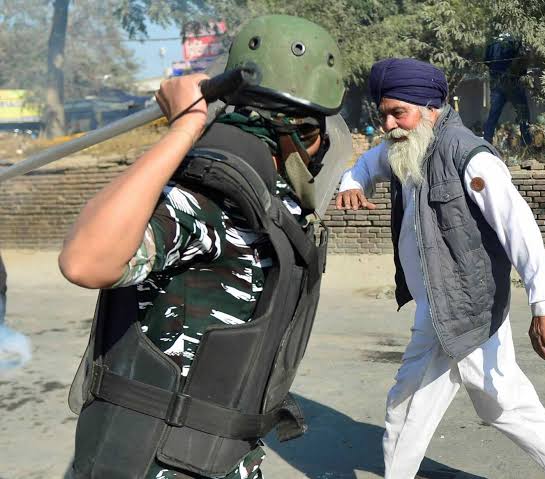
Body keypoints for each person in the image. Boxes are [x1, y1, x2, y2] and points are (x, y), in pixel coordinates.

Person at [59, 15, 346, 479]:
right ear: (301, 133)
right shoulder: (208, 198)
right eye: (318, 135)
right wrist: (184, 127)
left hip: (217, 458)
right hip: (150, 460)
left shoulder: (269, 199)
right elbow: (85, 260)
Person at [336, 58, 545, 479]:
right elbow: (371, 164)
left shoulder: (468, 154)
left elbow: (518, 225)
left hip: (461, 305)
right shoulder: (408, 145)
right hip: (443, 304)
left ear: (429, 109)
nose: (388, 124)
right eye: (383, 113)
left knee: (412, 406)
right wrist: (353, 183)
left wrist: (542, 299)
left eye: (397, 113)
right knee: (498, 401)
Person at [482, 33, 532, 146]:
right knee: (523, 114)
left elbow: (486, 61)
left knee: (493, 115)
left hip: (497, 84)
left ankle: (486, 143)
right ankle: (527, 145)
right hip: (514, 83)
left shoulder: (492, 41)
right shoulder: (515, 39)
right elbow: (522, 59)